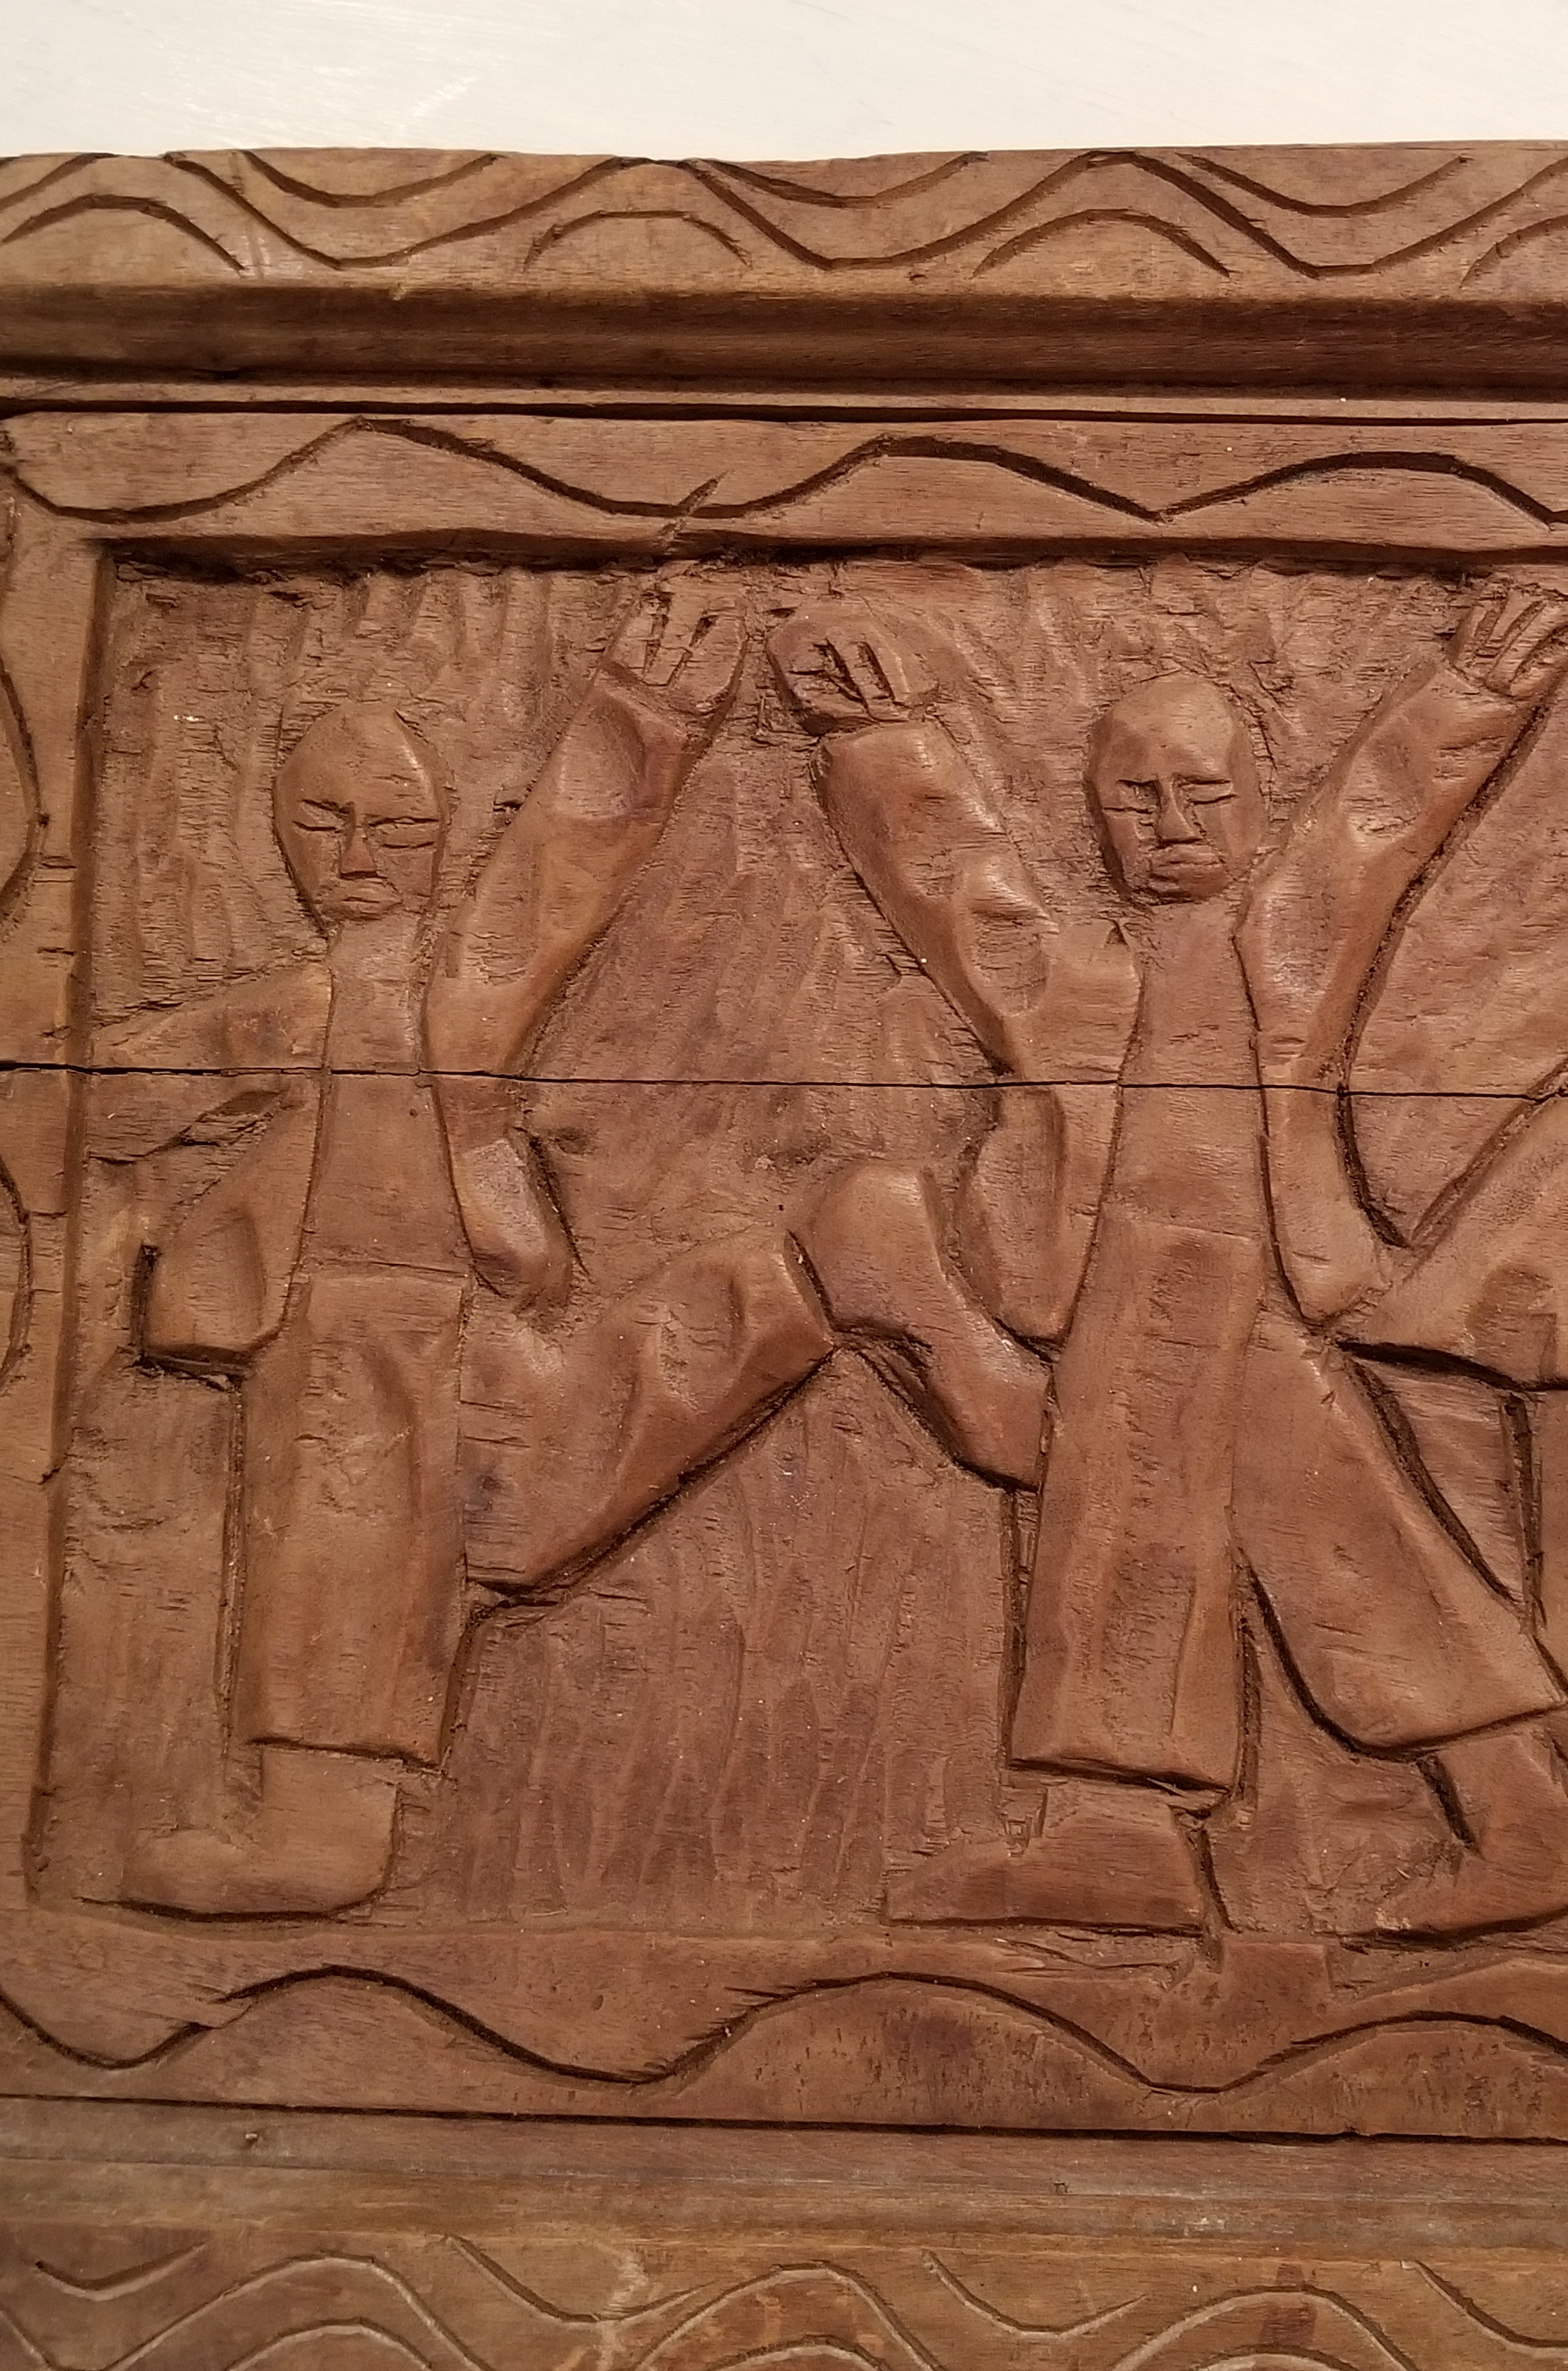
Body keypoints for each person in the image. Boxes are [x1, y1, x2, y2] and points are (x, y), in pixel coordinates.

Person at [107, 583, 1030, 1915]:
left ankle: (324, 1817)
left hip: (423, 1357)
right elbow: (124, 1088)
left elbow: (546, 886)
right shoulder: (288, 1010)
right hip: (417, 1367)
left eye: (397, 826)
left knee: (364, 1472)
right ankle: (836, 1255)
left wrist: (638, 713)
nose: (359, 854)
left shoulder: (444, 999)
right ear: (279, 836)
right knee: (513, 1447)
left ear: (438, 841)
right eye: (323, 822)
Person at [772, 584, 1568, 1941]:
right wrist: (880, 741)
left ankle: (1150, 1840)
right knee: (1301, 1544)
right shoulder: (1066, 979)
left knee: (1232, 1539)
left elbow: (1377, 819)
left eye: (1204, 794)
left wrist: (1471, 689)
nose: (1170, 823)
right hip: (1122, 1284)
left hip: (1238, 1280)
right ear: (1095, 816)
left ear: (1255, 805)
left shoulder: (1287, 936)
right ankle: (1509, 1824)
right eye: (1136, 797)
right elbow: (953, 877)